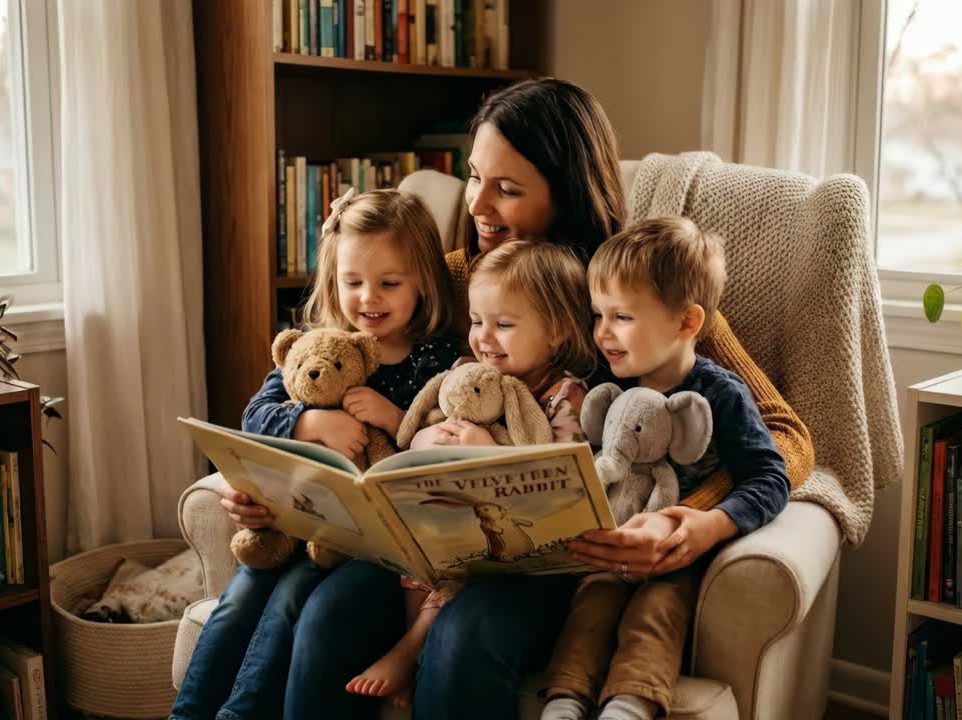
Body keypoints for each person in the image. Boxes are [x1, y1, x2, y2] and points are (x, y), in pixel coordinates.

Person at [219, 77, 816, 720]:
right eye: (475, 177)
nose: (479, 204)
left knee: (461, 636)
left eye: (508, 189)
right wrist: (290, 443)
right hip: (430, 545)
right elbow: (320, 364)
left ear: (566, 195)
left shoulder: (633, 293)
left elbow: (785, 433)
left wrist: (692, 520)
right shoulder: (443, 280)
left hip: (562, 561)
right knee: (328, 614)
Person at [170, 189, 459, 720]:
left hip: (369, 551)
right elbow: (255, 416)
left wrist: (394, 420)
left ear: (423, 280)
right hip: (294, 528)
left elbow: (442, 445)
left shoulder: (435, 359)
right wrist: (309, 418)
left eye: (389, 283)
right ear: (333, 281)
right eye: (352, 283)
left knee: (287, 604)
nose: (368, 298)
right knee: (237, 603)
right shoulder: (317, 347)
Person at [541, 217, 790, 720]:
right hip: (609, 555)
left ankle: (629, 706)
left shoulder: (721, 394)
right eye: (598, 314)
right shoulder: (606, 390)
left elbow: (771, 476)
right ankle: (565, 703)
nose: (603, 333)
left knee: (655, 615)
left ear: (686, 322)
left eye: (623, 317)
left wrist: (709, 524)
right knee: (590, 609)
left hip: (677, 560)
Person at [345, 239, 599, 705]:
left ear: (558, 331)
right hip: (455, 530)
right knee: (419, 545)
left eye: (503, 325)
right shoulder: (464, 374)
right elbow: (415, 432)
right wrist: (428, 443)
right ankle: (413, 643)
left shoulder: (566, 398)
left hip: (524, 552)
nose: (484, 337)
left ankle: (412, 649)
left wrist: (488, 453)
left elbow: (560, 480)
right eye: (478, 321)